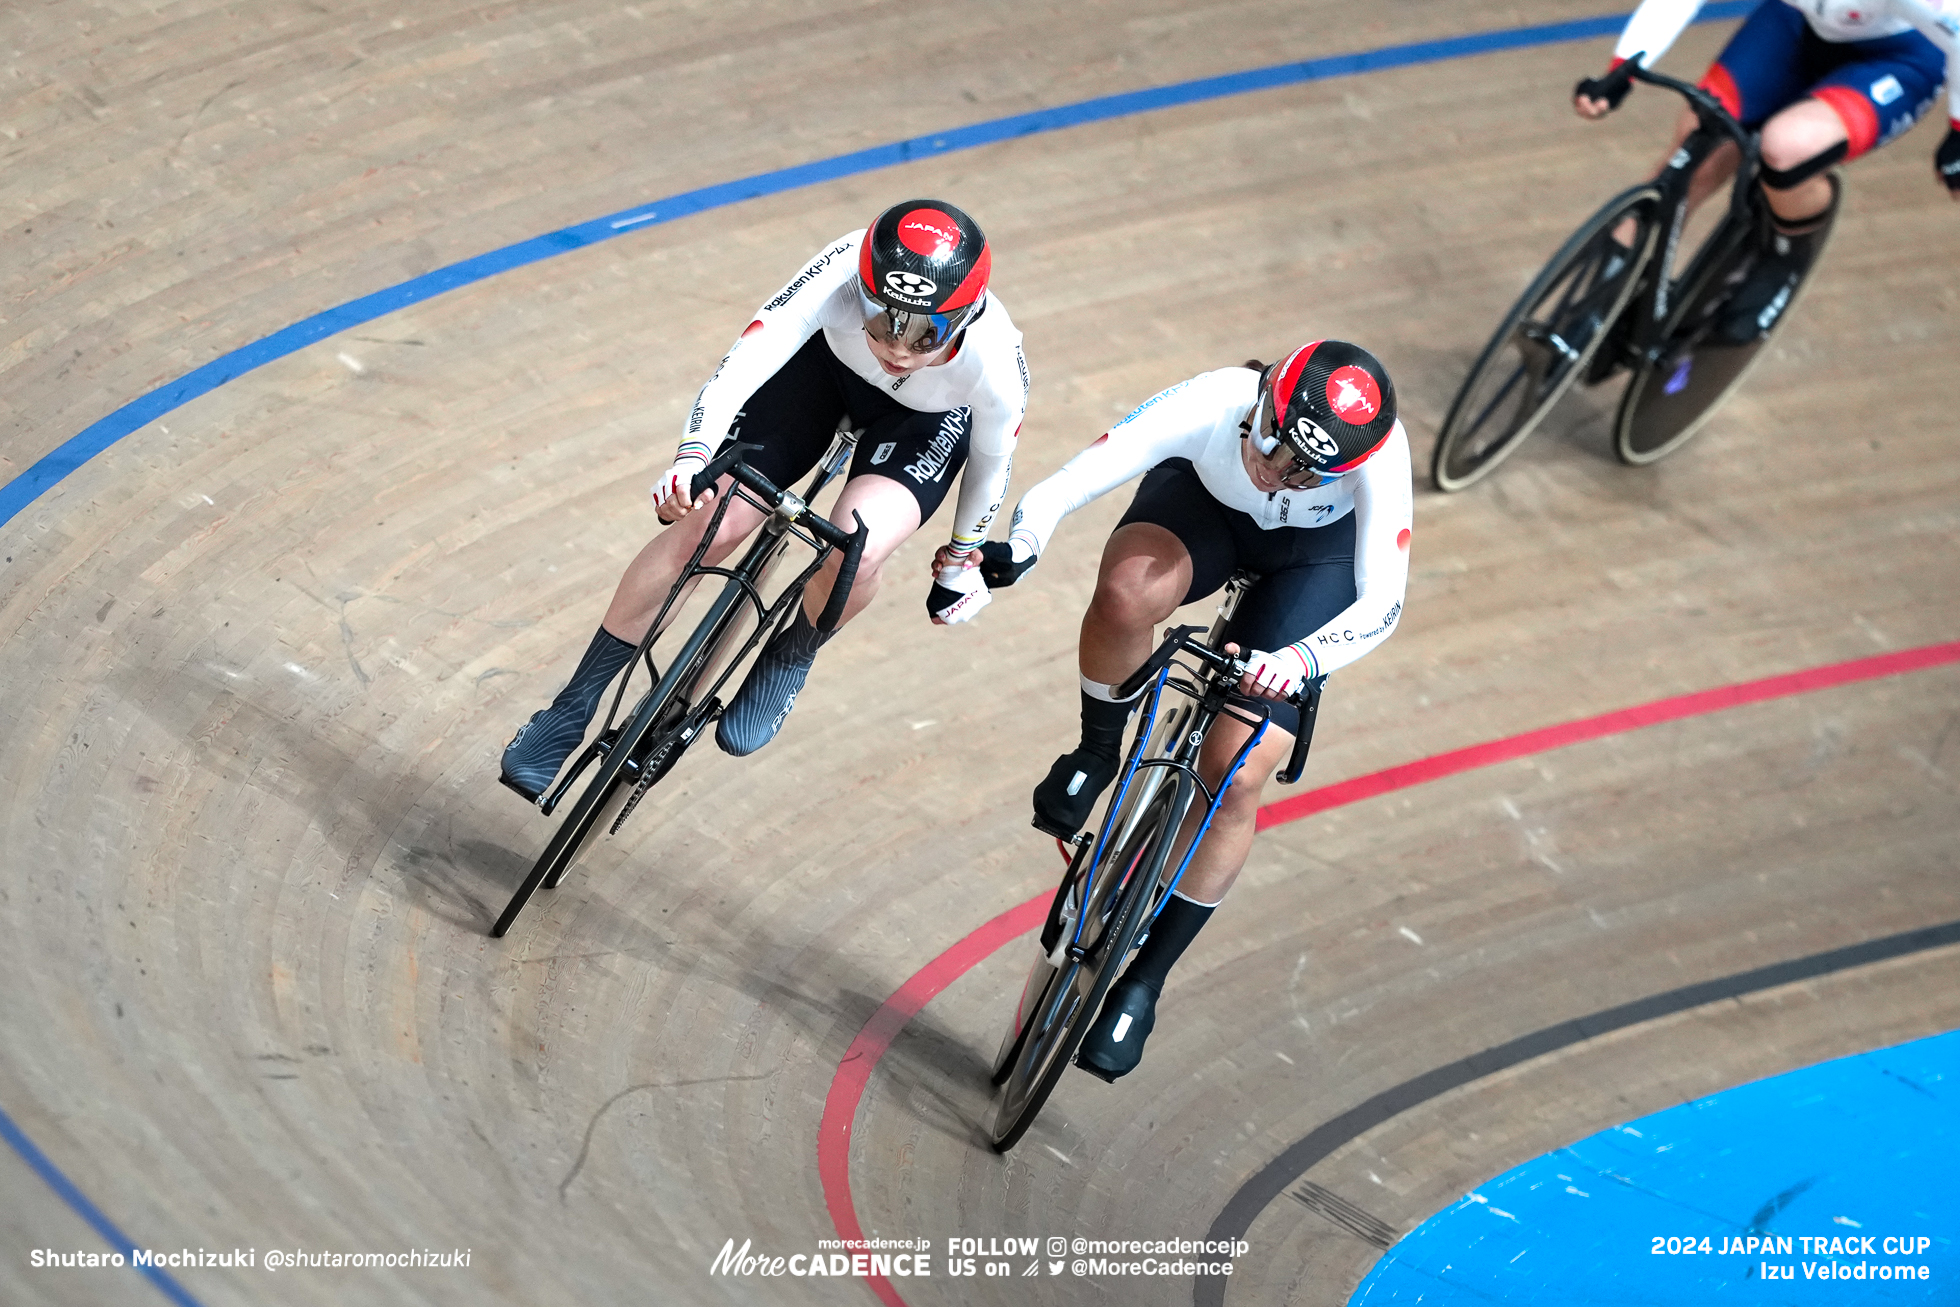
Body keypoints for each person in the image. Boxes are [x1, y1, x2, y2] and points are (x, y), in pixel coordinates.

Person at [968, 342, 1412, 1080]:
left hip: (1314, 563)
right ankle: (1096, 750)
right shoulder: (1213, 399)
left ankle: (1144, 978)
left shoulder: (1378, 457)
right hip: (1203, 507)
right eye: (1275, 445)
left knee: (1239, 770)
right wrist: (1023, 542)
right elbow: (1075, 479)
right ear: (1264, 399)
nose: (1280, 471)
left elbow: (1384, 600)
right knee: (1125, 597)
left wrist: (1299, 661)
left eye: (1307, 471)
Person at [499, 199, 1028, 800]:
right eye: (884, 322)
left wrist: (963, 557)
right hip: (822, 375)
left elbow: (992, 462)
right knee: (708, 524)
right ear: (865, 289)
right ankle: (570, 709)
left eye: (927, 333)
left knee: (857, 546)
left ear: (966, 315)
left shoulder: (996, 361)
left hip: (923, 424)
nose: (900, 350)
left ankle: (793, 651)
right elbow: (748, 356)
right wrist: (693, 457)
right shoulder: (841, 269)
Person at [1574, 0, 1959, 341]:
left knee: (1786, 150)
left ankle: (1785, 253)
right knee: (1698, 134)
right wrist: (1623, 69)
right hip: (1794, 25)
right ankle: (1603, 288)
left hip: (1900, 56)